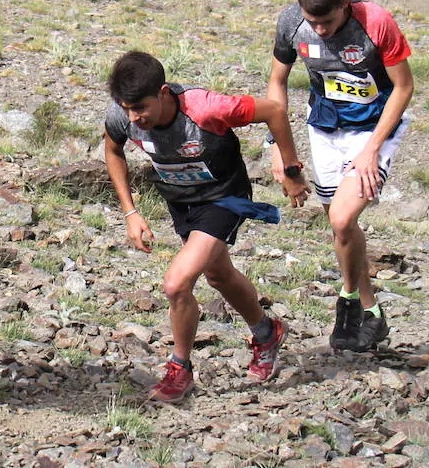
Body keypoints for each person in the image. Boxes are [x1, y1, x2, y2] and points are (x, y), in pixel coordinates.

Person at [103, 50, 309, 403]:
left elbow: (273, 111)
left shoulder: (206, 107)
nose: (135, 118)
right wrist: (130, 213)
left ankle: (179, 369)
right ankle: (266, 332)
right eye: (127, 109)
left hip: (225, 197)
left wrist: (290, 168)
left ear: (163, 92)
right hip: (182, 202)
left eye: (141, 109)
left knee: (176, 283)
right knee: (219, 276)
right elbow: (113, 150)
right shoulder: (123, 117)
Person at [267, 0, 414, 354]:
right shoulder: (291, 22)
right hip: (326, 126)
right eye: (313, 22)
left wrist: (371, 150)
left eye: (328, 21)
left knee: (342, 217)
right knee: (341, 229)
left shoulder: (377, 22)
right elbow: (276, 83)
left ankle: (348, 301)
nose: (320, 30)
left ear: (345, 5)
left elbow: (404, 87)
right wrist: (280, 151)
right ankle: (372, 312)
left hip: (373, 128)